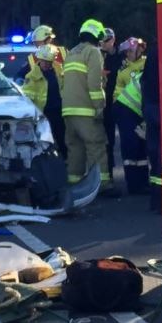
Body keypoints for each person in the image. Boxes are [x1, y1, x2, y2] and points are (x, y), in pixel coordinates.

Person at [61, 19, 115, 194]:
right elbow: (94, 82)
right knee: (96, 146)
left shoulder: (71, 53)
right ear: (96, 35)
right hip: (86, 110)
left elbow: (64, 83)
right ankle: (102, 185)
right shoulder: (92, 52)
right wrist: (100, 106)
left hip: (68, 110)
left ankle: (74, 185)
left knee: (74, 149)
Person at [113, 37, 148, 195]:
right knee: (130, 146)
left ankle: (142, 183)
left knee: (142, 147)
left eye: (131, 51)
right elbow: (118, 93)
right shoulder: (123, 71)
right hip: (128, 110)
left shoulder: (148, 64)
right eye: (127, 52)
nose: (129, 54)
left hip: (141, 110)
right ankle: (133, 185)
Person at [22, 44, 67, 158]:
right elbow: (27, 98)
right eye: (44, 61)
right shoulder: (32, 77)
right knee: (45, 142)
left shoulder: (60, 71)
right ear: (39, 60)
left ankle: (65, 161)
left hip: (60, 112)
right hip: (43, 114)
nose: (46, 64)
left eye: (49, 61)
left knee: (63, 139)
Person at [99, 27, 124, 179]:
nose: (103, 44)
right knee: (107, 141)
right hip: (105, 103)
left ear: (113, 40)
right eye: (101, 41)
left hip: (121, 102)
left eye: (106, 41)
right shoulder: (98, 56)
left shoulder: (122, 56)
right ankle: (108, 171)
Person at [140, 44, 162, 213]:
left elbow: (145, 81)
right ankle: (161, 202)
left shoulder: (153, 53)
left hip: (150, 107)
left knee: (155, 156)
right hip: (159, 108)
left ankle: (156, 202)